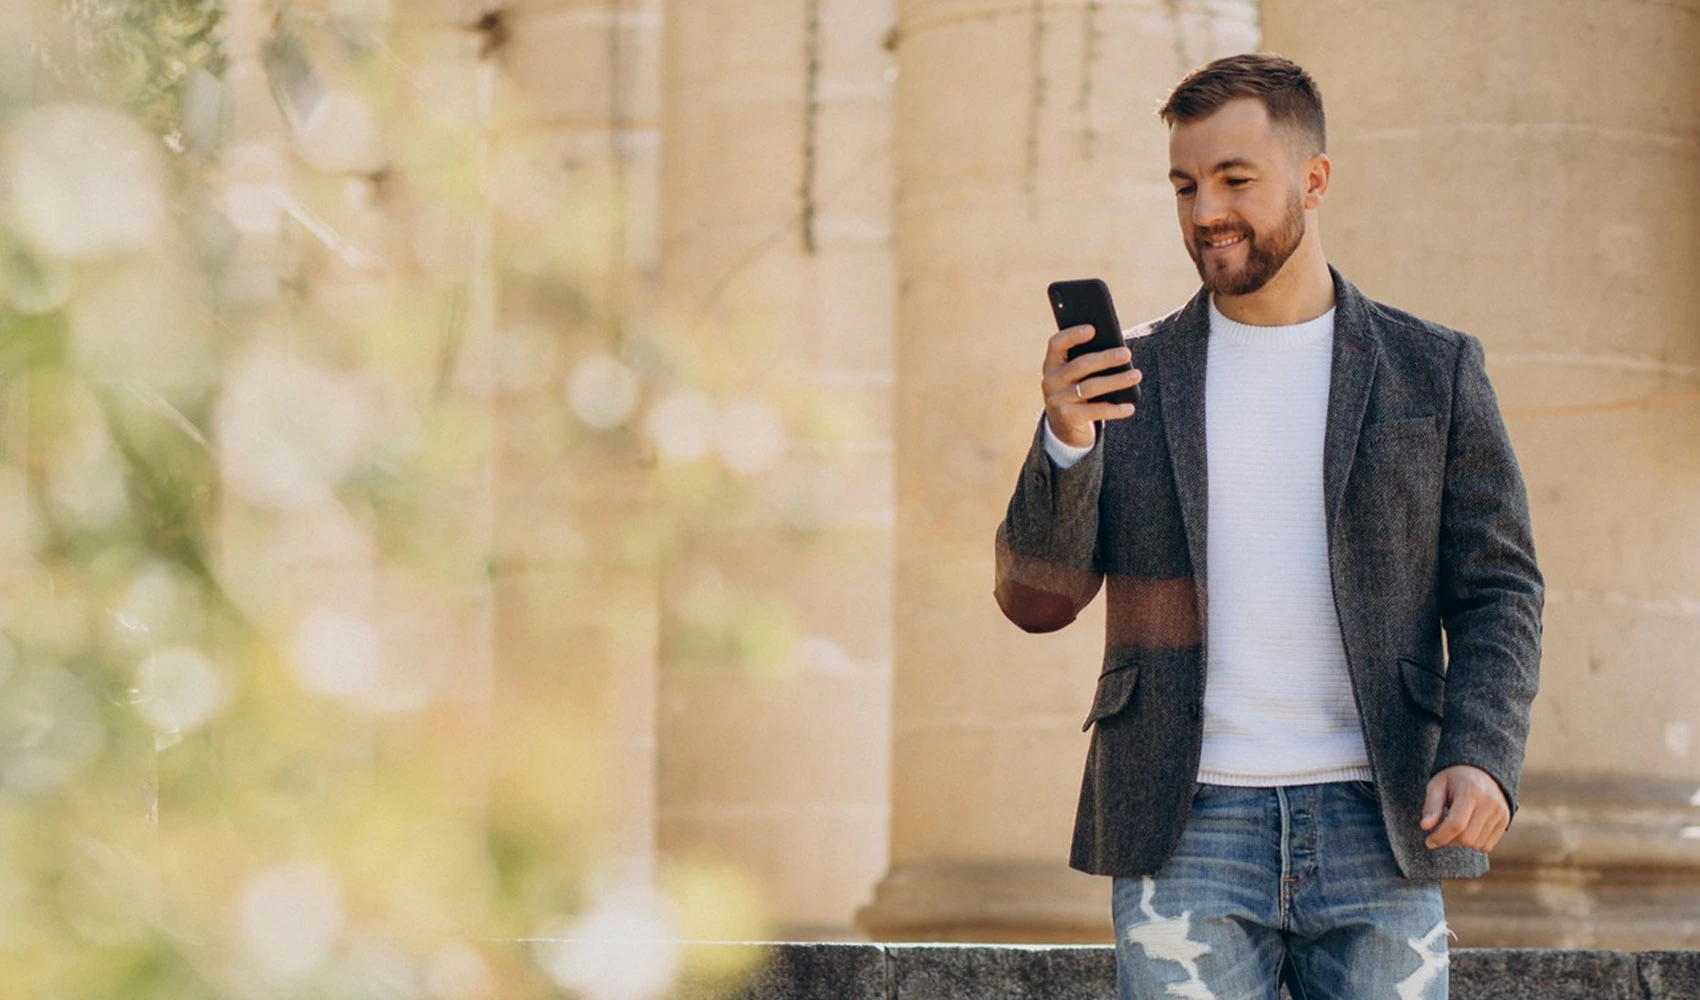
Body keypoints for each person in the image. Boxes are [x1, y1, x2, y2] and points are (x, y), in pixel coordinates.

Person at [993, 53, 1542, 1000]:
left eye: (1235, 179)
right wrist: (1068, 440)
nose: (1206, 209)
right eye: (1184, 184)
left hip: (1384, 821)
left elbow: (1499, 587)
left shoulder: (1433, 369)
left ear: (1314, 179)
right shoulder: (1138, 377)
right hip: (1186, 824)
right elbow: (1037, 602)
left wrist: (1482, 754)